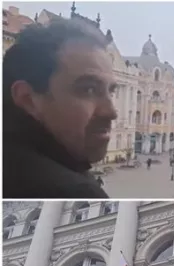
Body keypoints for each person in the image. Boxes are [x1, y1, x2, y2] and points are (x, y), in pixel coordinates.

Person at [3, 19, 115, 198]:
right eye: (88, 89)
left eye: (111, 91)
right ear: (28, 99)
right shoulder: (72, 191)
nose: (111, 112)